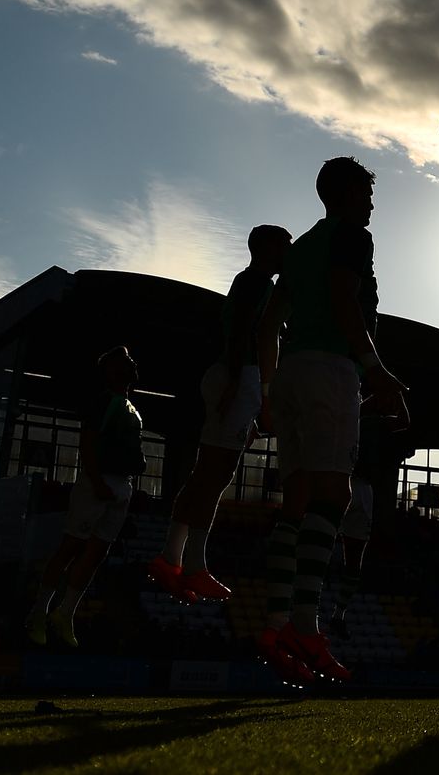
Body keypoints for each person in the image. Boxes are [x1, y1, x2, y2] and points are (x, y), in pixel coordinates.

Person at [255, 156, 407, 684]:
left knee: (295, 502)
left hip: (293, 372)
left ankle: (276, 625)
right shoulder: (351, 238)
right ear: (346, 194)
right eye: (366, 195)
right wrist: (376, 370)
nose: (370, 206)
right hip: (329, 370)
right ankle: (303, 624)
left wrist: (270, 393)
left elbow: (270, 324)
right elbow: (346, 301)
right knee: (333, 498)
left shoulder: (299, 249)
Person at [149, 225, 292, 603]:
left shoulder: (249, 282)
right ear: (265, 248)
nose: (289, 250)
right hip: (238, 376)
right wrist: (236, 384)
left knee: (204, 475)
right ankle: (193, 565)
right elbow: (245, 333)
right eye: (284, 244)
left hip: (232, 375)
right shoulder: (257, 283)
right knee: (215, 477)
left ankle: (172, 557)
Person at [25, 346, 146, 648]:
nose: (132, 363)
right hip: (99, 483)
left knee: (96, 553)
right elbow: (87, 443)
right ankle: (39, 612)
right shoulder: (103, 402)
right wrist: (96, 481)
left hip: (121, 485)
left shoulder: (129, 405)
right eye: (125, 361)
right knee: (71, 547)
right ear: (113, 371)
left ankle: (65, 613)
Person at [328, 403, 413, 640]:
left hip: (349, 483)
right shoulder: (371, 421)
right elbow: (404, 421)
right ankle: (337, 614)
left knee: (343, 553)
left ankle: (331, 614)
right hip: (356, 486)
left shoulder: (356, 418)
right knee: (352, 560)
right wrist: (396, 395)